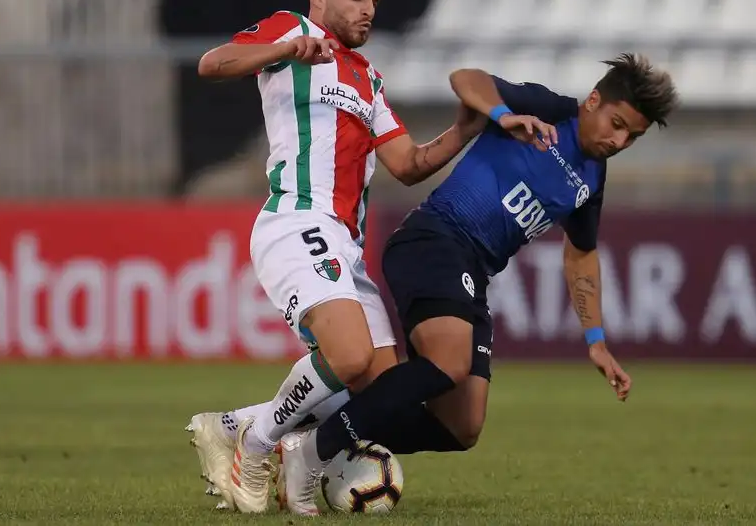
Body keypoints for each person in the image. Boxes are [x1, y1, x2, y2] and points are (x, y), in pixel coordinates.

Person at [184, 0, 554, 514]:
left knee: (381, 395)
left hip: (345, 245)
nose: (368, 10)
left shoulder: (367, 79)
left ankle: (229, 426)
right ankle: (256, 448)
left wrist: (464, 130)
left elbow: (408, 163)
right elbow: (212, 63)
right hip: (296, 219)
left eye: (374, 2)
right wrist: (282, 49)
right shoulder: (291, 31)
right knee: (351, 356)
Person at [274, 53, 680, 514]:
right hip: (435, 237)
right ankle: (314, 451)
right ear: (593, 101)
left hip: (474, 271)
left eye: (632, 136)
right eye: (617, 124)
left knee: (461, 425)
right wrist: (503, 114)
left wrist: (596, 341)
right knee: (448, 362)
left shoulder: (592, 178)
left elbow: (581, 253)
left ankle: (306, 426)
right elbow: (465, 78)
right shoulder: (548, 110)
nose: (619, 141)